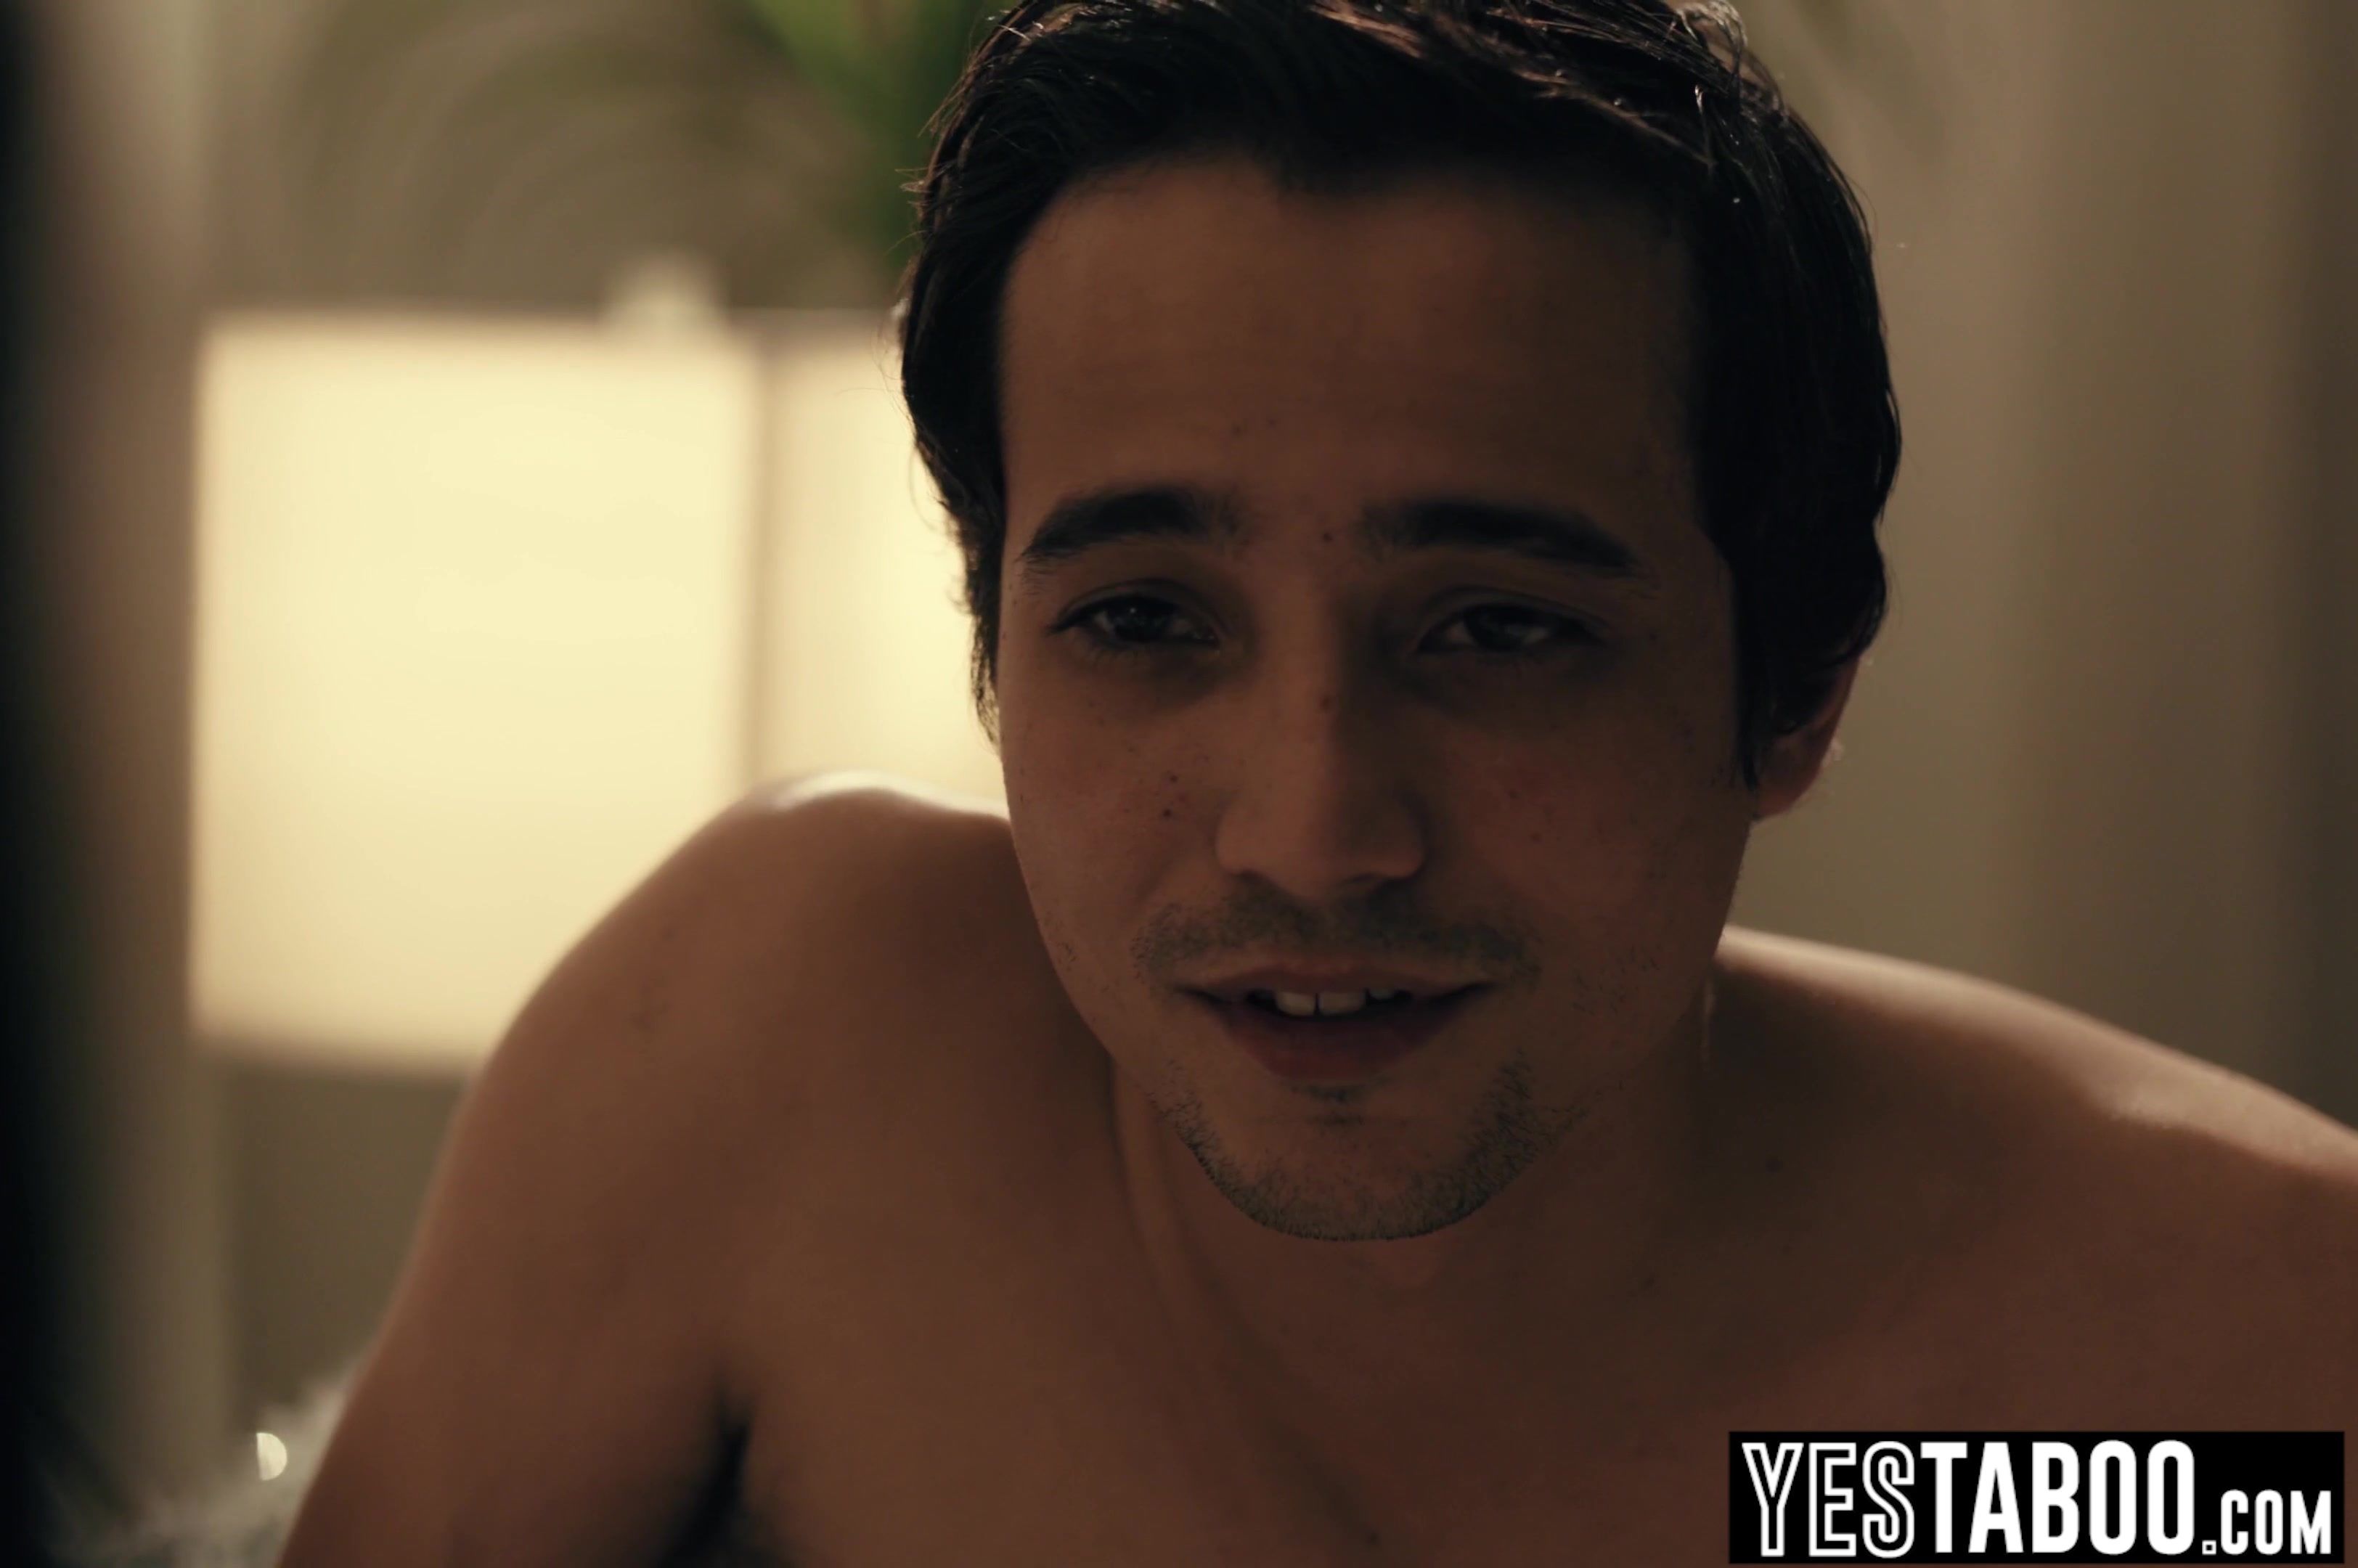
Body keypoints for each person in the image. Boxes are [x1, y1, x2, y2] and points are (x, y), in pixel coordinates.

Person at [280, 1, 2358, 1562]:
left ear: (1799, 687)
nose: (1311, 834)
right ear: (991, 657)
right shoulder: (766, 1063)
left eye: (1499, 631)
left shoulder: (2219, 1382)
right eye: (1143, 620)